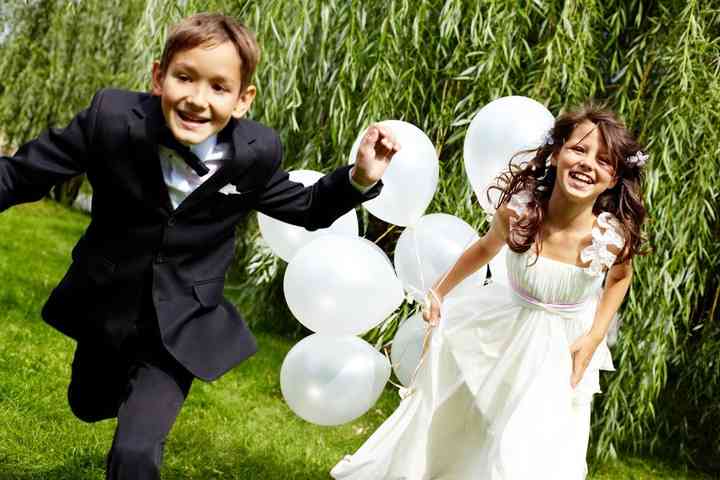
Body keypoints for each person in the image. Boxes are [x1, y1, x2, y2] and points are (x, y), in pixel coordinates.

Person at [0, 12, 399, 480]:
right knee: (88, 404)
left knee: (136, 451)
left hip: (182, 322)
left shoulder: (255, 152)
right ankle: (107, 388)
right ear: (158, 77)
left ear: (243, 99)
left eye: (218, 87)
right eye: (184, 78)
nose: (196, 99)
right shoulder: (110, 119)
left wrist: (359, 177)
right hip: (108, 305)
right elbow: (21, 174)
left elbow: (307, 207)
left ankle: (140, 421)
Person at [332, 105, 647, 479]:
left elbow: (619, 279)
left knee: (532, 441)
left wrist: (594, 335)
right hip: (504, 329)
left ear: (612, 180)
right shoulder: (521, 212)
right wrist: (439, 291)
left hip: (561, 350)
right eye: (579, 149)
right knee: (470, 421)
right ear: (557, 153)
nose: (586, 163)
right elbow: (484, 248)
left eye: (603, 160)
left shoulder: (609, 238)